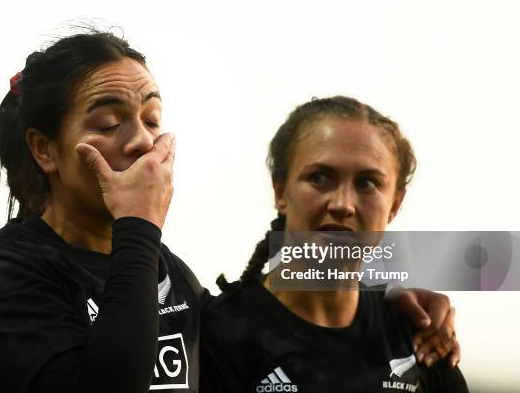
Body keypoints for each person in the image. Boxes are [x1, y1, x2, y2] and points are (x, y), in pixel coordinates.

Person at [0, 29, 459, 393]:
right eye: (107, 122)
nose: (143, 141)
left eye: (151, 118)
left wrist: (389, 289)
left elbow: (279, 317)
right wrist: (139, 223)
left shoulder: (170, 276)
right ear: (45, 149)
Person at [200, 96, 468, 392]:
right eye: (319, 178)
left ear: (394, 204)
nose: (343, 205)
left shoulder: (419, 336)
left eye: (367, 183)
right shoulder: (217, 334)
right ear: (281, 191)